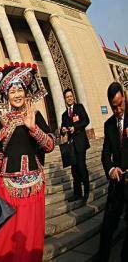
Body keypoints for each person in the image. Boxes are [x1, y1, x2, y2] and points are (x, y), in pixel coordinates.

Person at [0, 62, 55, 262]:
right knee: (3, 236)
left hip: (33, 185)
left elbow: (49, 145)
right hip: (6, 185)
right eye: (13, 91)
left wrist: (34, 129)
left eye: (20, 89)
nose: (17, 94)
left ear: (26, 91)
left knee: (29, 236)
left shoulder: (35, 115)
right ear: (6, 96)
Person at [98, 82, 127, 261]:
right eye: (113, 107)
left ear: (123, 97)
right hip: (116, 183)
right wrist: (110, 169)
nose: (117, 110)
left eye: (120, 105)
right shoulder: (109, 124)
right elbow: (105, 153)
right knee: (107, 226)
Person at [60, 88, 91, 202]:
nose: (69, 98)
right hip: (71, 146)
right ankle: (77, 193)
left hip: (81, 143)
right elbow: (62, 129)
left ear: (73, 97)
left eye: (70, 96)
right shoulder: (64, 114)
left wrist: (75, 127)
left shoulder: (79, 107)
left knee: (82, 167)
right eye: (67, 97)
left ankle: (86, 192)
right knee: (74, 170)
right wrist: (63, 130)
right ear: (65, 99)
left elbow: (86, 120)